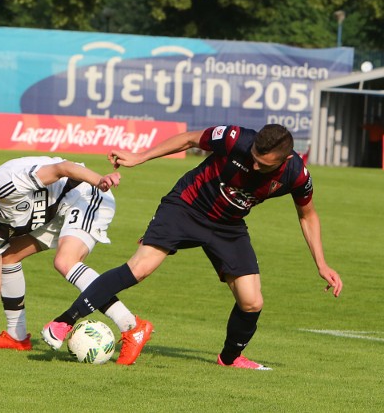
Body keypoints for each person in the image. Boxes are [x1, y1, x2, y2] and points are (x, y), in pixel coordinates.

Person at [42, 124, 343, 369]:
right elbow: (188, 139)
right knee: (140, 267)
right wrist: (139, 157)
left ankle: (229, 359)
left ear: (284, 160)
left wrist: (322, 264)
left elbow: (308, 215)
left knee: (252, 302)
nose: (253, 164)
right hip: (185, 207)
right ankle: (64, 322)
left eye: (262, 165)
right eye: (252, 157)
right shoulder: (235, 138)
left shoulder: (297, 175)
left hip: (229, 226)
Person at [0, 156, 148, 365]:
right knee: (8, 258)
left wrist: (99, 180)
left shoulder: (7, 183)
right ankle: (16, 337)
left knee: (65, 261)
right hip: (54, 214)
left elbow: (62, 168)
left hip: (83, 193)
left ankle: (131, 326)